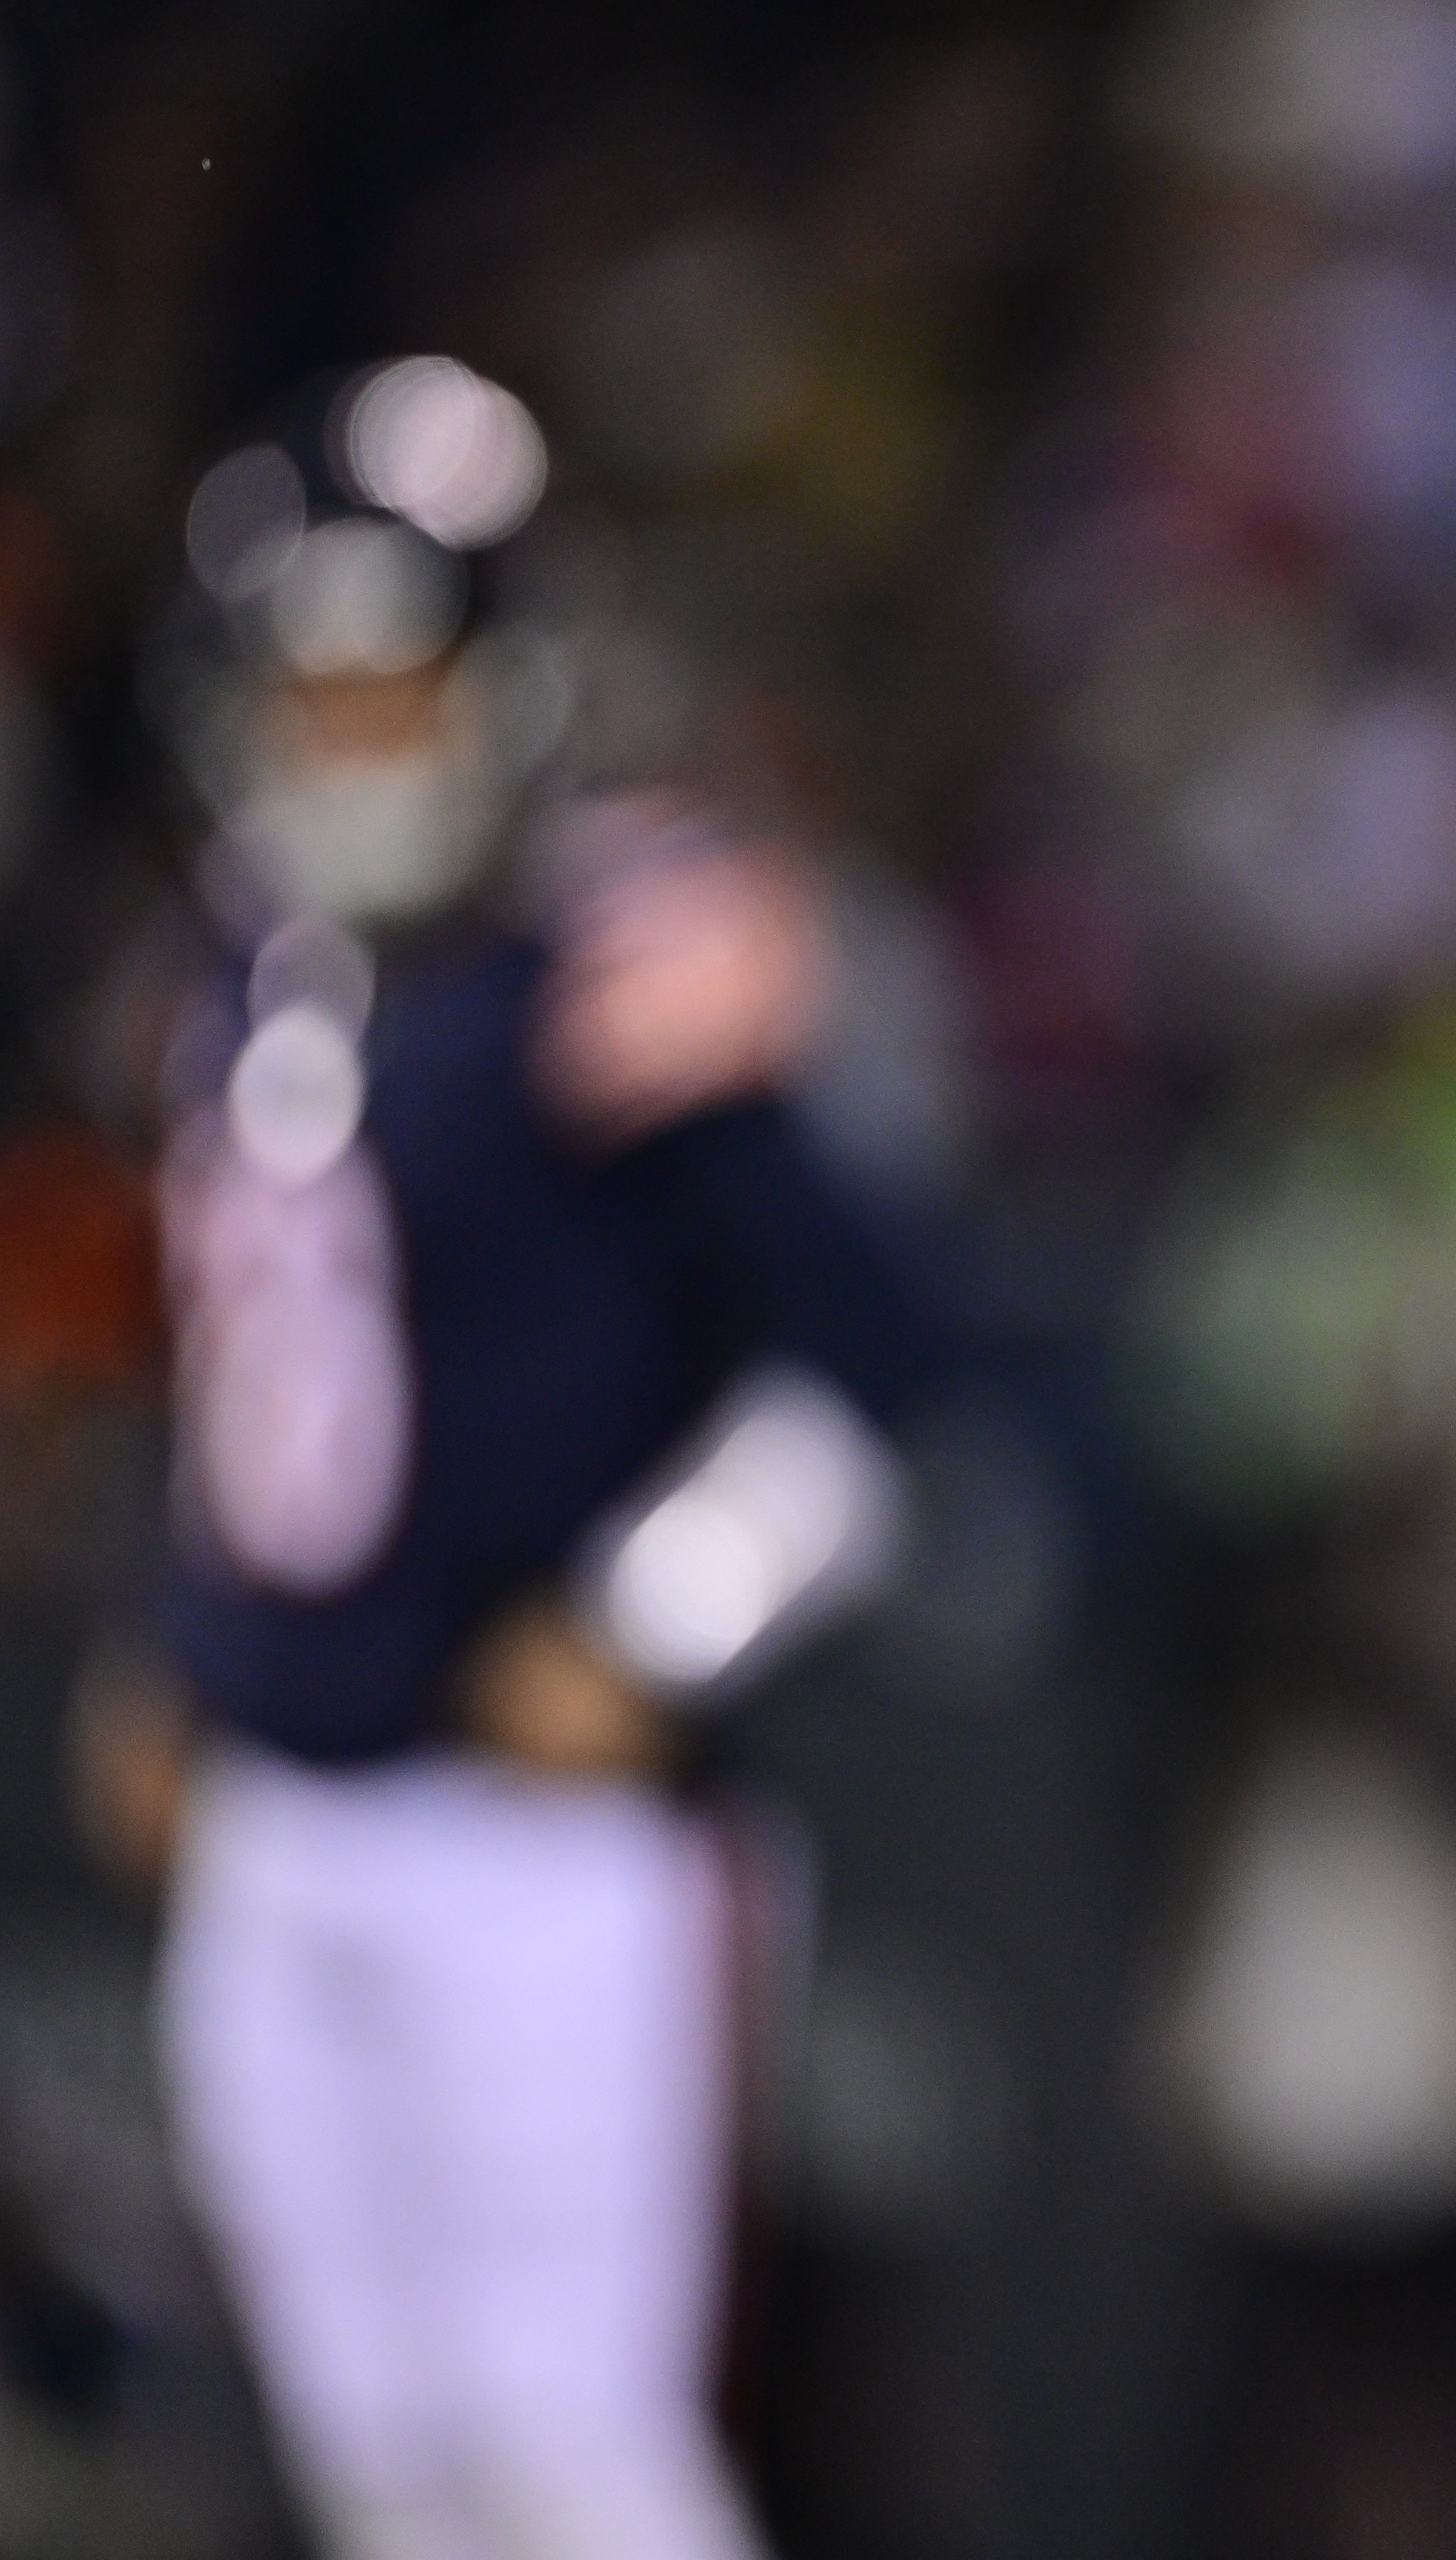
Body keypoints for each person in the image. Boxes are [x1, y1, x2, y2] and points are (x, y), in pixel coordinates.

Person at [103, 362, 923, 2560]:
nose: (359, 738)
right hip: (287, 1822)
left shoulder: (621, 965)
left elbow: (874, 1371)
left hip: (543, 1837)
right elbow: (261, 1377)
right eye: (319, 687)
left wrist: (648, 1622)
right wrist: (182, 1640)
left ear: (503, 688)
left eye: (402, 682)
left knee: (584, 2465)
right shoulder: (240, 972)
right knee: (389, 2483)